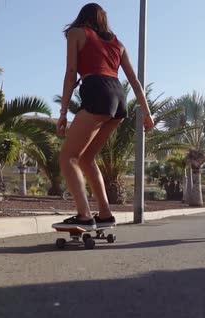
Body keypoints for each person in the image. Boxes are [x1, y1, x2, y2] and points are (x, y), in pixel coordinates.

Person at [57, 3, 154, 229]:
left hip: (97, 90)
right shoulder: (117, 43)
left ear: (82, 17)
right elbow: (135, 82)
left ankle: (83, 215)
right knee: (86, 158)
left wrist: (62, 113)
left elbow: (71, 73)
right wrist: (146, 113)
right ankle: (105, 214)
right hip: (119, 98)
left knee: (68, 157)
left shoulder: (77, 33)